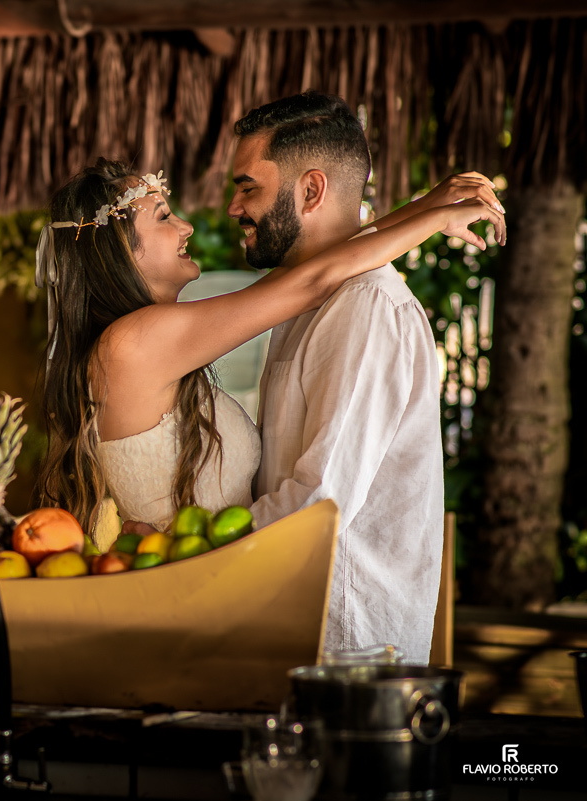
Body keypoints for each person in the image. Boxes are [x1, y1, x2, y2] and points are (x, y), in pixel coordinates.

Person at [32, 152, 503, 583]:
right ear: (120, 250)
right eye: (163, 217)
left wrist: (424, 209)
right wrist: (437, 217)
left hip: (218, 577)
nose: (186, 227)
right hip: (201, 588)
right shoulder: (133, 344)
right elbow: (312, 281)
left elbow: (316, 268)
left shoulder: (138, 340)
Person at [225, 91, 506, 663]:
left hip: (347, 648)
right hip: (298, 625)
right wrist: (424, 208)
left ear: (310, 190)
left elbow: (317, 505)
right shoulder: (310, 295)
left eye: (247, 186)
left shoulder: (366, 307)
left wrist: (193, 542)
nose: (233, 208)